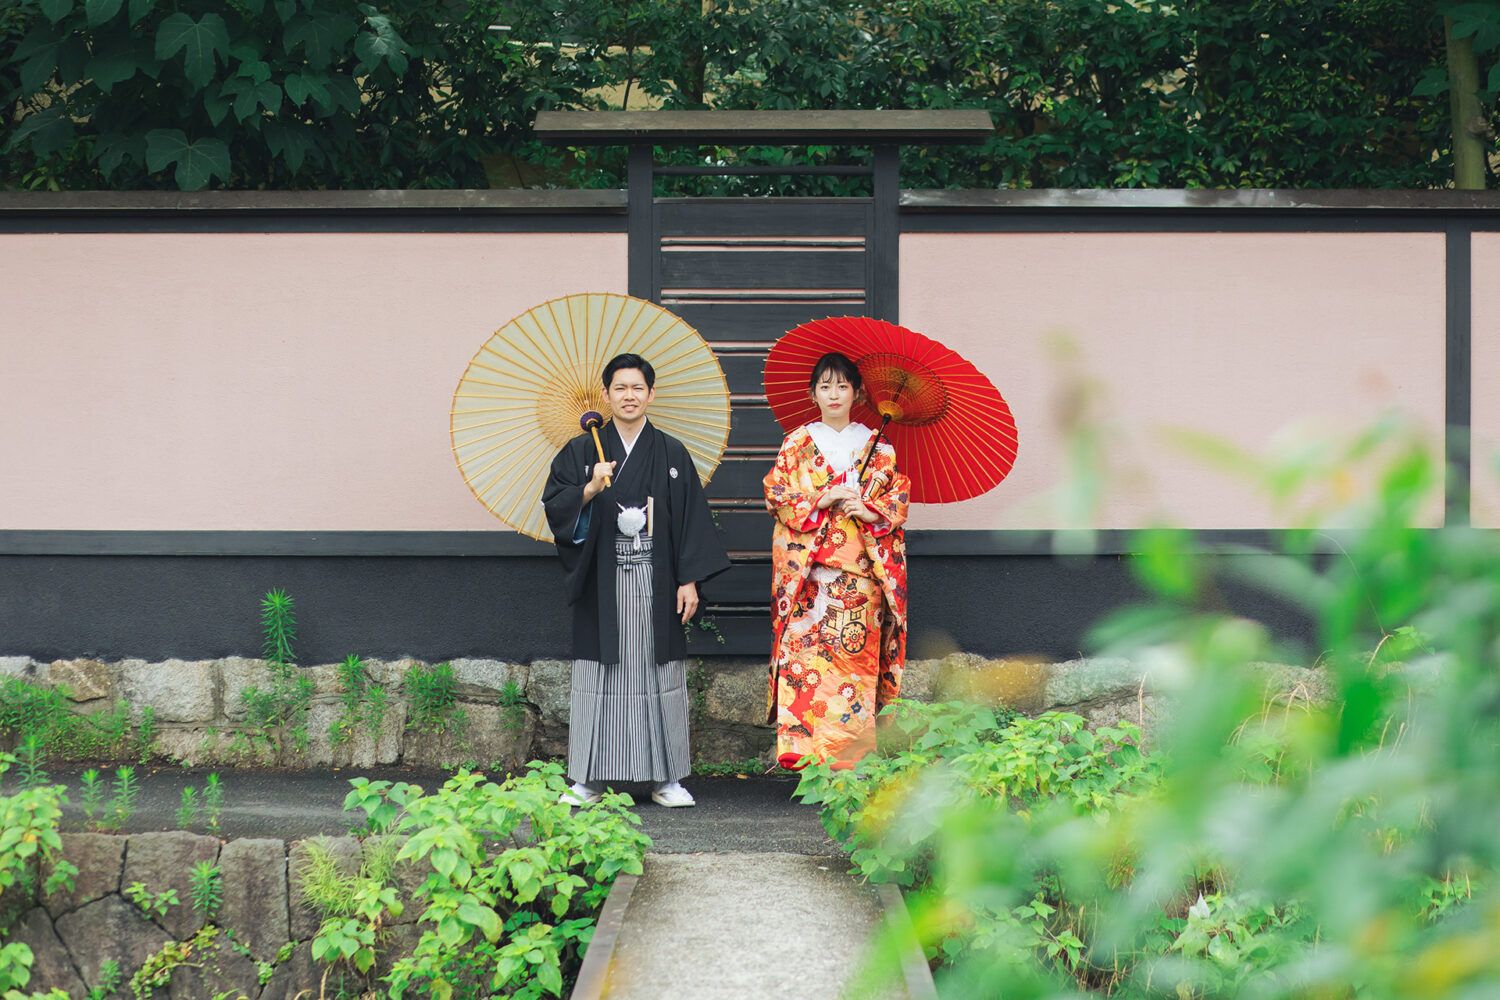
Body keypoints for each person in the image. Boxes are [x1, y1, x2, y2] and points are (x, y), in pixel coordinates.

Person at [542, 353, 730, 808]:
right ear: (606, 395)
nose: (629, 395)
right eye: (620, 388)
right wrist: (588, 488)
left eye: (637, 388)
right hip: (603, 580)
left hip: (656, 577)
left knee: (657, 673)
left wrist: (689, 581)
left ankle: (665, 778)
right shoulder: (582, 450)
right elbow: (556, 507)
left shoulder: (670, 452)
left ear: (651, 394)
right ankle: (588, 779)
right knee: (599, 675)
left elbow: (689, 521)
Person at [763, 352, 910, 770]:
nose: (833, 394)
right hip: (808, 577)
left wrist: (868, 511)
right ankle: (804, 756)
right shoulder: (796, 443)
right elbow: (777, 494)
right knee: (803, 661)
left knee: (852, 667)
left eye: (842, 386)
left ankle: (849, 757)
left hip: (859, 579)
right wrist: (820, 498)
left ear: (857, 393)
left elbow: (896, 499)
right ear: (813, 393)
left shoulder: (877, 446)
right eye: (825, 386)